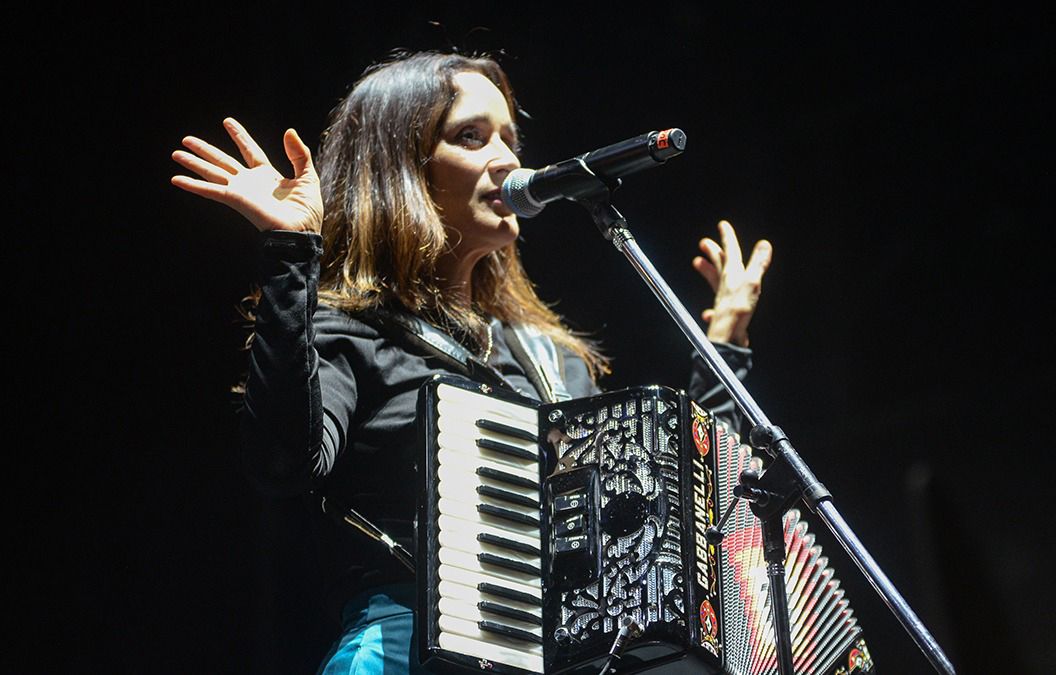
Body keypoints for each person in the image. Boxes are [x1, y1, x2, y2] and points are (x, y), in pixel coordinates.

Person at [171, 51, 772, 674]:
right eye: (471, 137)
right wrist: (293, 253)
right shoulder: (353, 329)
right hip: (402, 650)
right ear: (403, 165)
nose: (508, 159)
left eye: (510, 138)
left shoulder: (551, 358)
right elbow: (282, 464)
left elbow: (696, 507)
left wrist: (724, 343)